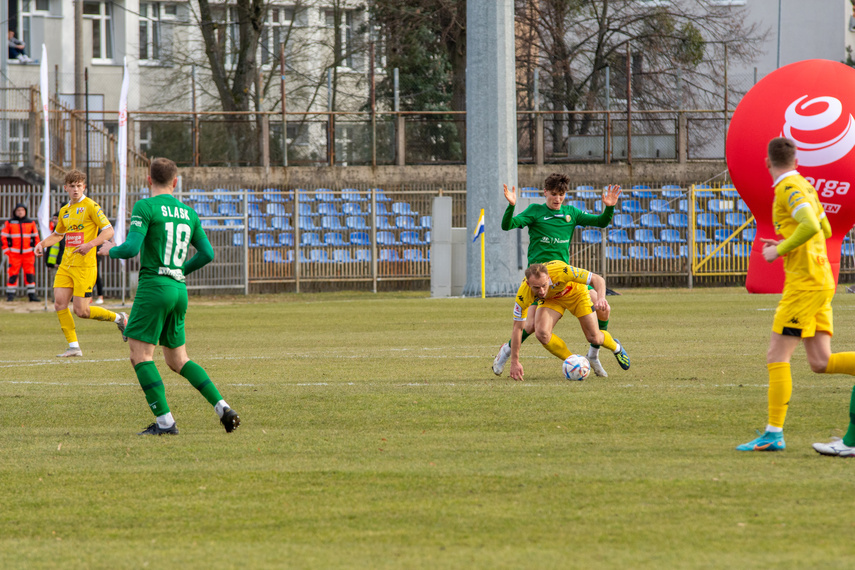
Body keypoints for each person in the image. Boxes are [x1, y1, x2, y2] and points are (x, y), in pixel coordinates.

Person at [98, 157, 240, 435]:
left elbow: (130, 249)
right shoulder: (189, 212)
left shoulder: (145, 206)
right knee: (178, 360)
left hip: (154, 288)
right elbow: (208, 254)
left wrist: (108, 249)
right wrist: (179, 270)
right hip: (178, 289)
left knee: (140, 355)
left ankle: (165, 422)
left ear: (148, 180)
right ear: (175, 182)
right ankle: (222, 406)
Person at [736, 137, 855, 453]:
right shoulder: (806, 186)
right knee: (820, 361)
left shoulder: (789, 189)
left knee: (777, 355)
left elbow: (811, 227)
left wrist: (780, 249)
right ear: (796, 159)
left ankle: (773, 433)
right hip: (819, 279)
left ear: (767, 161)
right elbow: (825, 229)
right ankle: (773, 433)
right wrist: (789, 240)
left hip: (805, 284)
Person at [493, 173, 622, 377]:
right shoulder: (535, 212)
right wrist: (511, 206)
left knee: (603, 305)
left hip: (563, 277)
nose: (557, 199)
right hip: (539, 279)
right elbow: (507, 225)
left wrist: (609, 207)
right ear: (545, 192)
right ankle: (507, 352)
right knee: (532, 326)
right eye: (553, 194)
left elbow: (602, 222)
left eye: (561, 195)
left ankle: (594, 354)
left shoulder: (571, 213)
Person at [34, 170, 127, 357]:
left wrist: (90, 244)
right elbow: (58, 234)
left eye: (79, 186)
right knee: (60, 304)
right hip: (66, 264)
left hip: (85, 266)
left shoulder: (91, 206)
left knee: (81, 311)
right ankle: (74, 346)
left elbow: (108, 231)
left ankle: (120, 318)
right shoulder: (64, 211)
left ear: (84, 187)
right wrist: (42, 244)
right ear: (66, 188)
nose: (75, 189)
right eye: (72, 186)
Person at [506, 261, 630, 381]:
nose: (542, 291)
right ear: (528, 284)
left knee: (594, 337)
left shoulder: (562, 271)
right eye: (536, 288)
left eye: (544, 285)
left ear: (549, 278)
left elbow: (598, 279)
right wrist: (514, 362)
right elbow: (517, 328)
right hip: (552, 300)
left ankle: (616, 347)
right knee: (542, 333)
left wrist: (601, 298)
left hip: (576, 294)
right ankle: (574, 362)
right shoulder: (523, 295)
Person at [2, 203, 40, 302]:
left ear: (25, 211)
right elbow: (3, 237)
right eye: (18, 210)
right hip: (14, 254)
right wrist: (6, 250)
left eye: (22, 210)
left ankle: (32, 295)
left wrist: (36, 249)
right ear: (15, 211)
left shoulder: (31, 222)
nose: (20, 212)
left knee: (30, 274)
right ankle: (10, 295)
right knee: (12, 274)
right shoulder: (9, 222)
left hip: (29, 254)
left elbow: (36, 237)